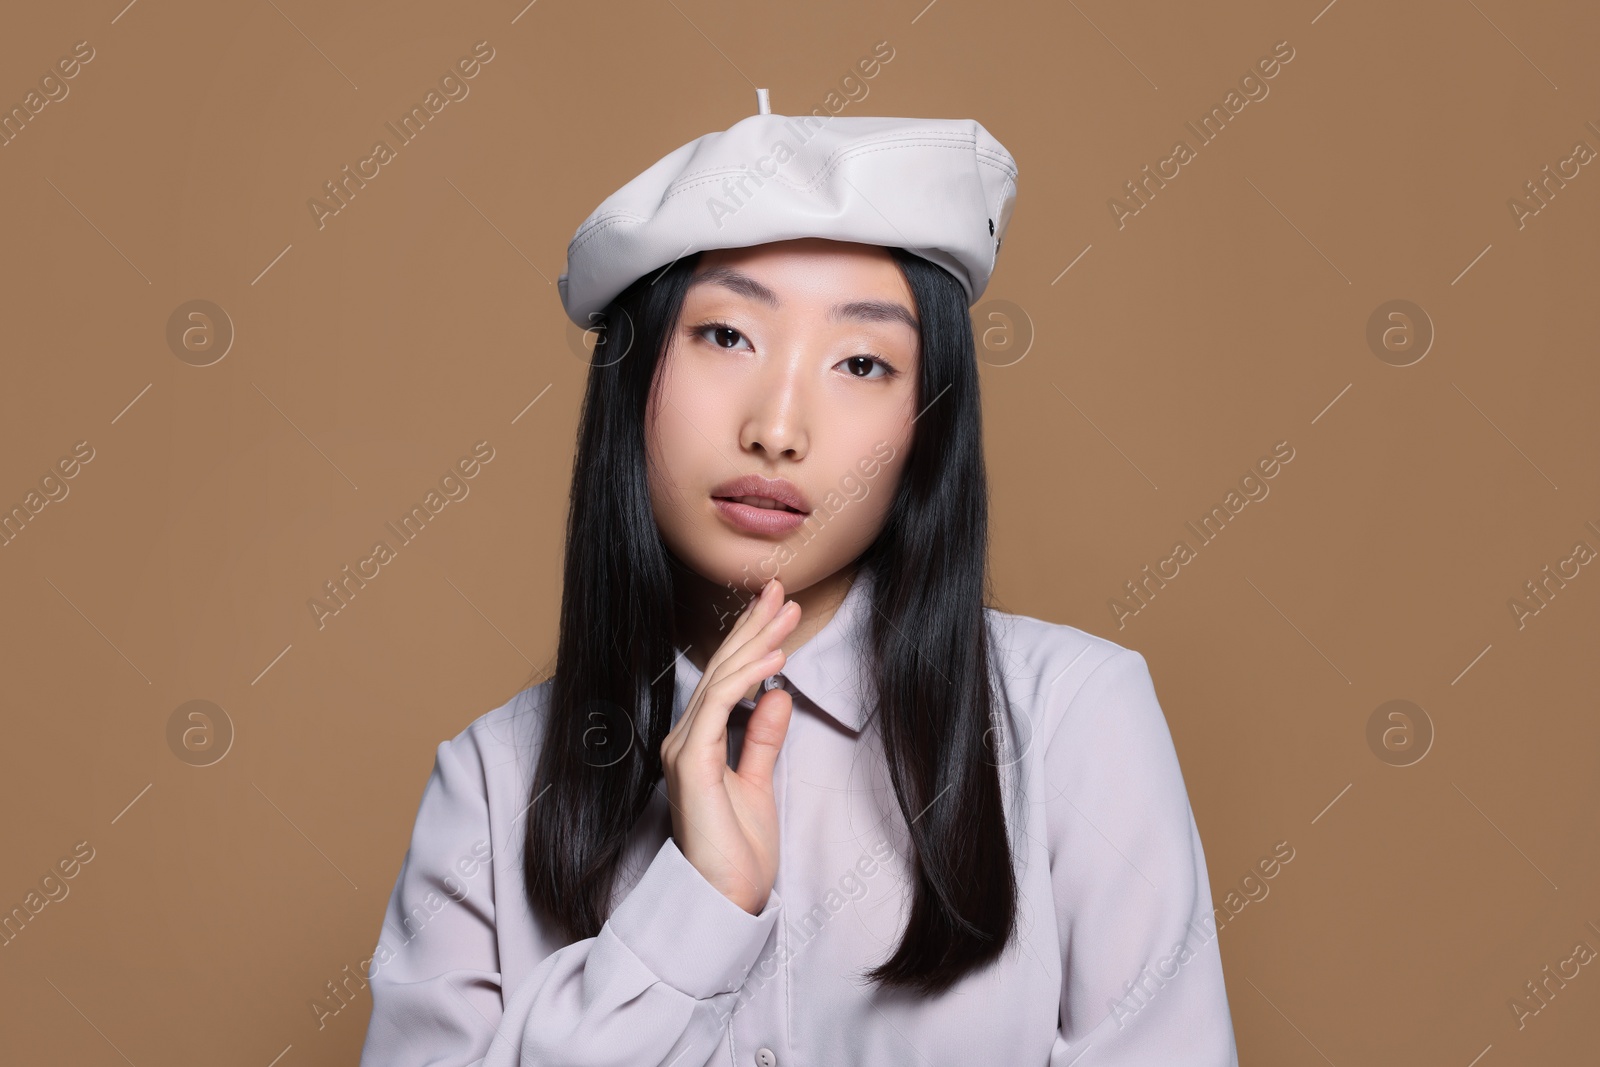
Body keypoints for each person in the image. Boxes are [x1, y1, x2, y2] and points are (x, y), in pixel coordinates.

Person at [358, 92, 1239, 1066]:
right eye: (727, 335)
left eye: (860, 361)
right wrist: (692, 915)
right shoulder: (490, 781)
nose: (777, 428)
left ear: (927, 427)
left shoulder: (1072, 722)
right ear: (633, 371)